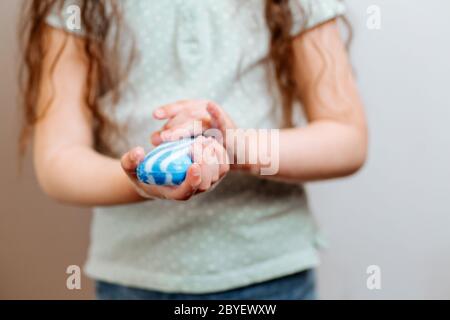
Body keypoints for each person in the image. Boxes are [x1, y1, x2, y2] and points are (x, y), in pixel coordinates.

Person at [19, 0, 367, 300]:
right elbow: (58, 161)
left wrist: (238, 149)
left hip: (270, 277)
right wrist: (139, 180)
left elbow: (347, 140)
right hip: (133, 281)